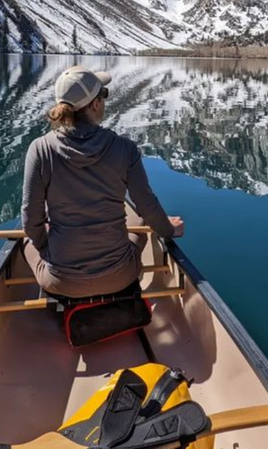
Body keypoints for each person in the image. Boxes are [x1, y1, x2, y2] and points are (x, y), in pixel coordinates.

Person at [21, 65, 184, 298]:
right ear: (95, 104)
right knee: (142, 224)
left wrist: (45, 246)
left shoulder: (40, 149)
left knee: (26, 239)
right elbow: (147, 205)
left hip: (60, 281)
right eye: (103, 95)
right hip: (121, 275)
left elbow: (30, 219)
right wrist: (168, 230)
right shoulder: (125, 149)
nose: (104, 101)